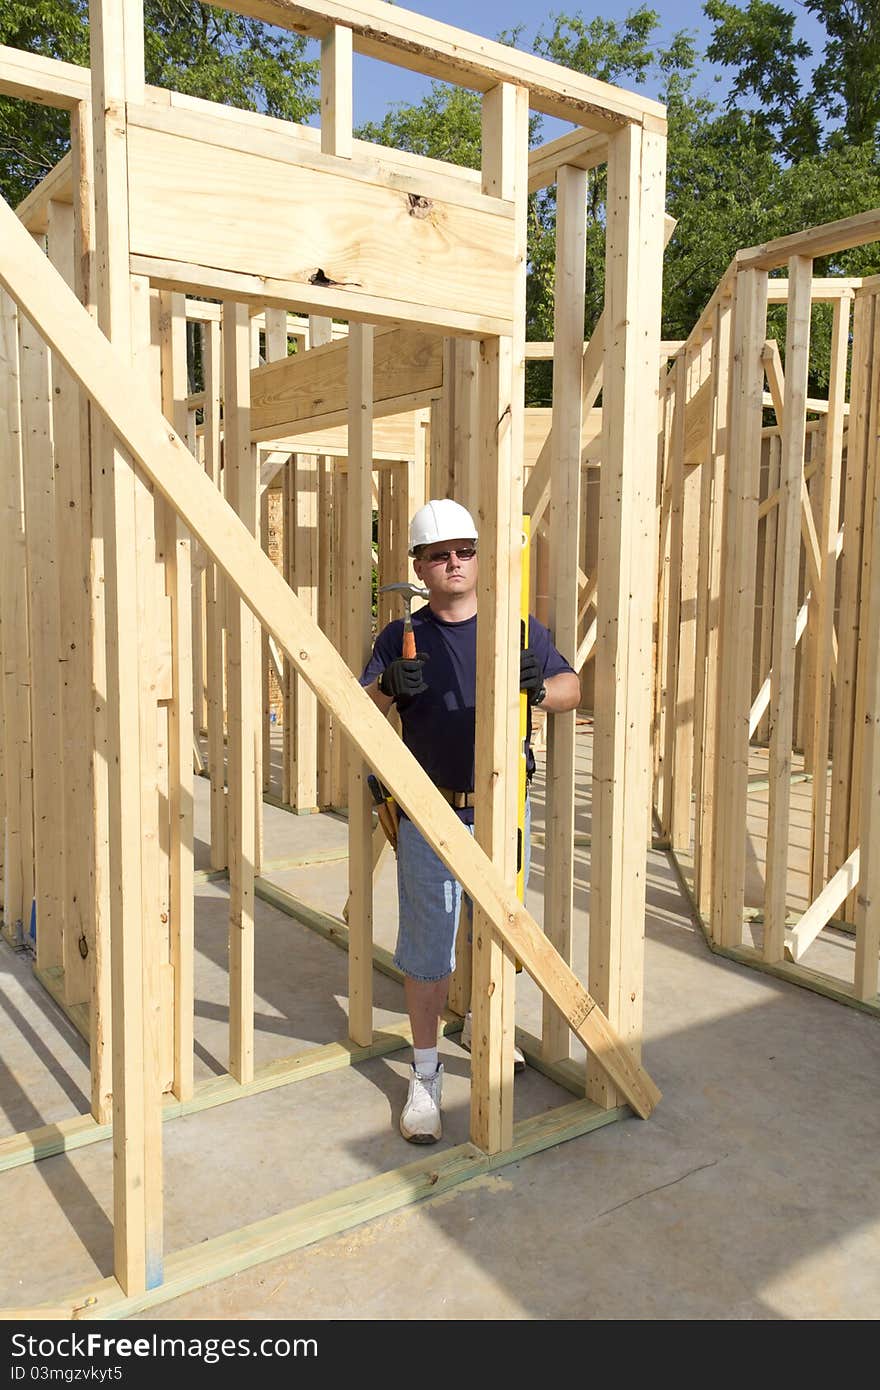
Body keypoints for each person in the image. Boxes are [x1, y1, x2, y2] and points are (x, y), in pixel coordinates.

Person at [361, 499, 581, 1143]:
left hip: (503, 809)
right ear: (420, 567)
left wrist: (539, 685)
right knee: (429, 952)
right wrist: (387, 688)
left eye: (464, 550)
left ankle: (492, 1031)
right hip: (431, 811)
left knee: (501, 932)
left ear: (480, 558)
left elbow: (573, 690)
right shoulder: (402, 638)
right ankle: (424, 1074)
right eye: (438, 555)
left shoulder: (516, 629)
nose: (453, 563)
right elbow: (359, 706)